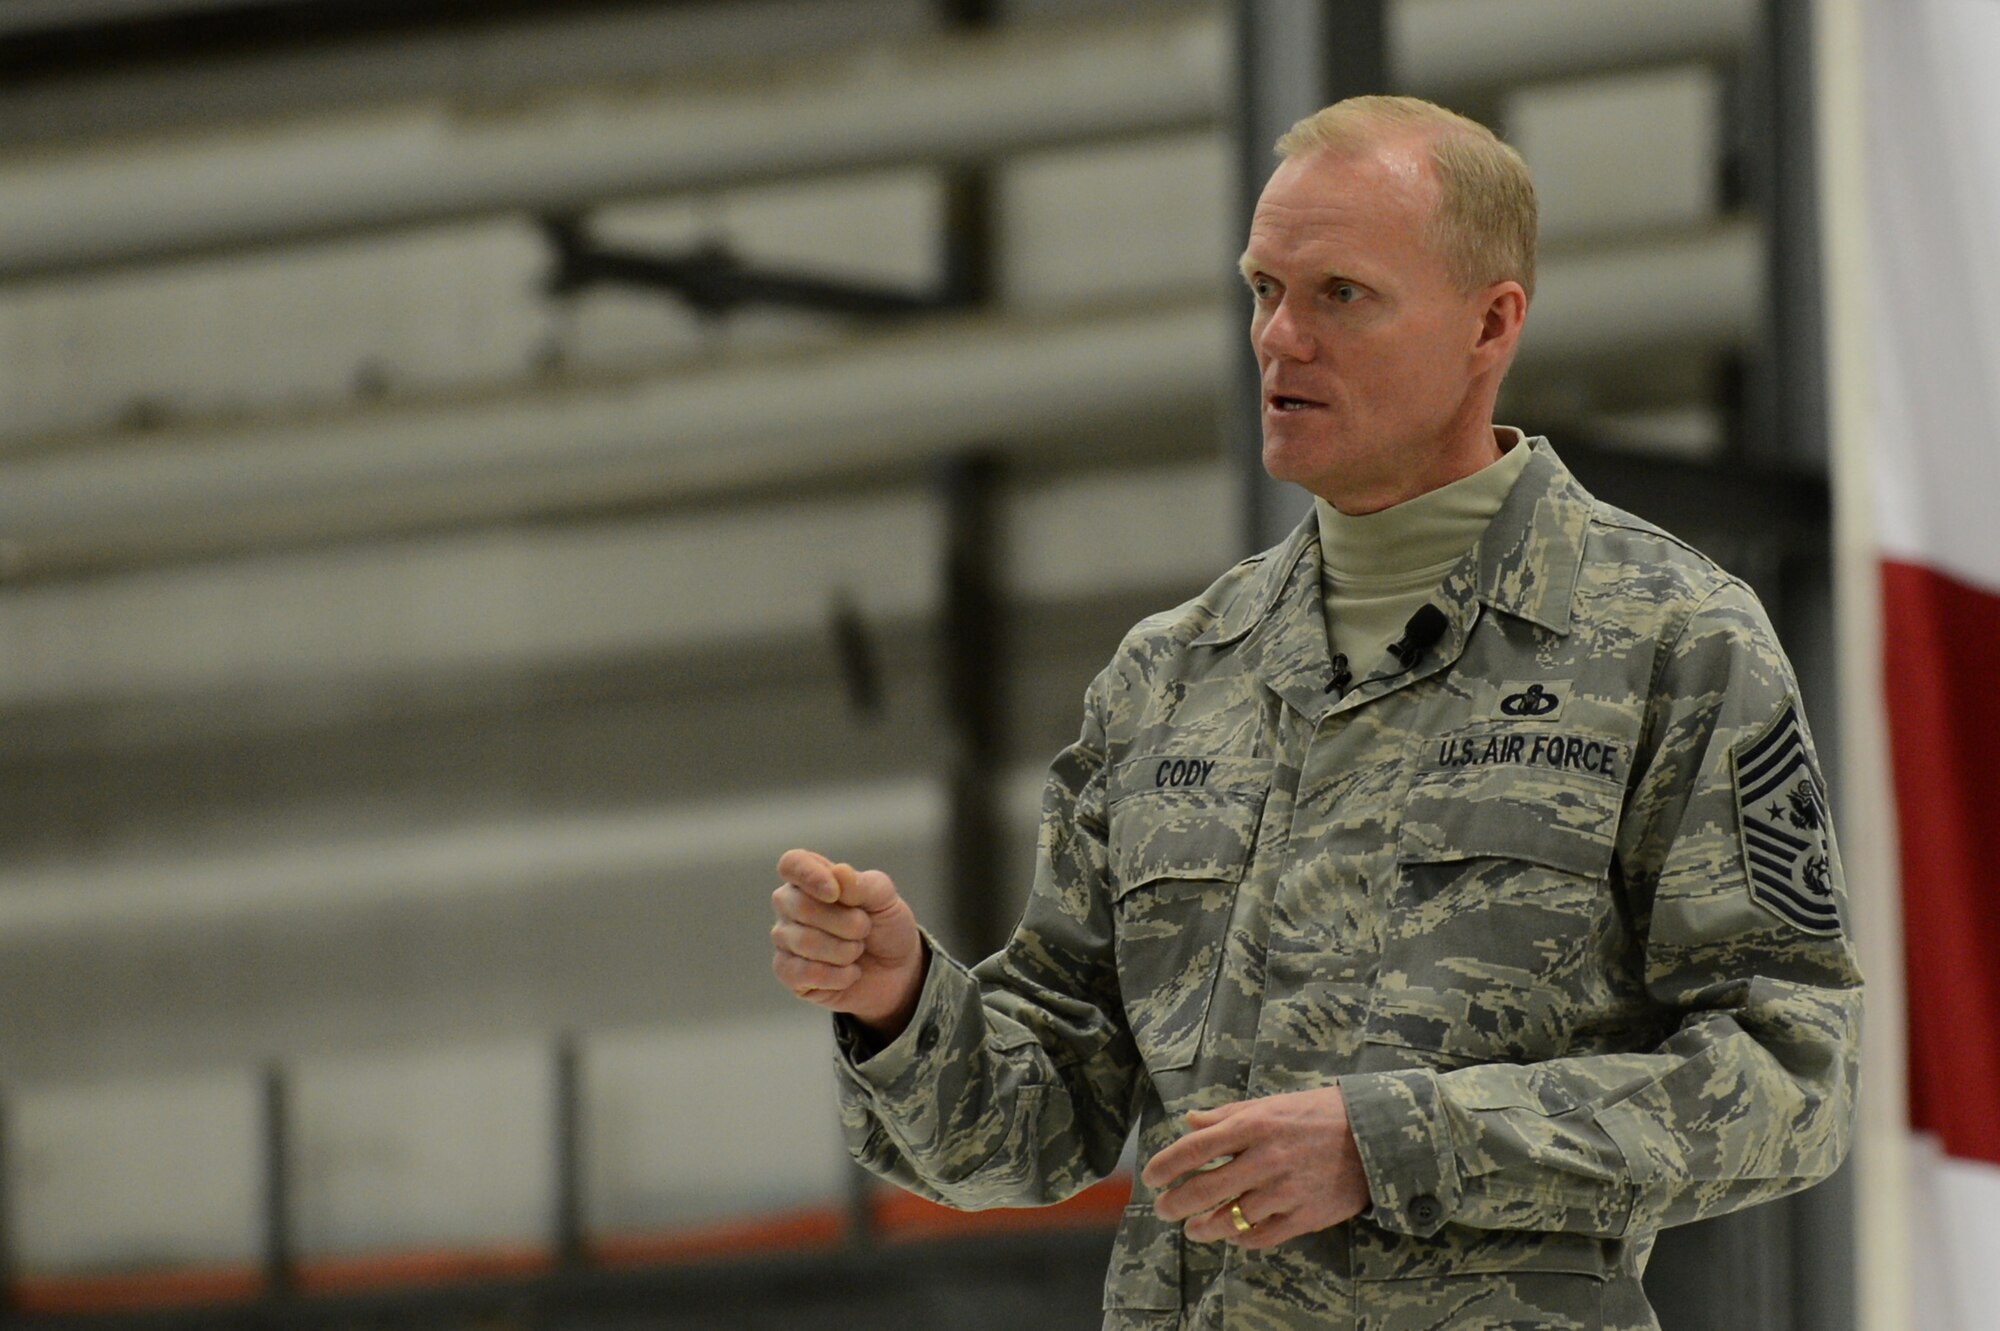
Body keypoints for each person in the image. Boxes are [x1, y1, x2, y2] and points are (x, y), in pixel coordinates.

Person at [768, 95, 1861, 1331]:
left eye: (1340, 293)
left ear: (1489, 324)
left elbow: (1788, 1083)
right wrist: (903, 998)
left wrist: (1389, 1141)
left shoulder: (1668, 639)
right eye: (1260, 289)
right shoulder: (1167, 680)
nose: (1280, 337)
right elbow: (1041, 1123)